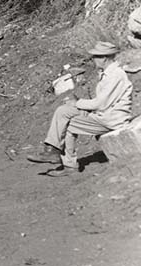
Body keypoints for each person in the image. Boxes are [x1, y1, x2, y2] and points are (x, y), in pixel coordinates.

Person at [29, 41, 134, 171]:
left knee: (65, 119)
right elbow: (102, 103)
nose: (93, 59)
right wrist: (81, 106)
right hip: (103, 116)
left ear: (104, 58)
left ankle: (60, 157)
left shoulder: (116, 75)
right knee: (64, 116)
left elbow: (101, 104)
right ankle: (57, 154)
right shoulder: (108, 73)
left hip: (111, 120)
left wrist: (77, 103)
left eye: (95, 57)